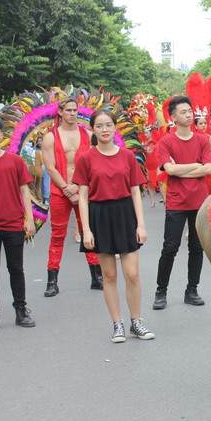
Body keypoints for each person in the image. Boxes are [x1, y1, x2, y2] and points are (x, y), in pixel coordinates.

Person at [74, 110, 155, 342]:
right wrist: (86, 229)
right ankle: (117, 324)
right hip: (99, 215)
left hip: (125, 214)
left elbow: (136, 192)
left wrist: (141, 225)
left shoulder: (127, 156)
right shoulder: (86, 159)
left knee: (132, 274)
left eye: (109, 125)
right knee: (109, 276)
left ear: (115, 127)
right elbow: (82, 196)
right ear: (93, 129)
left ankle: (136, 321)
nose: (105, 129)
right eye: (99, 126)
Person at [153, 95, 211, 310]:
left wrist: (180, 169)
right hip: (177, 203)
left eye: (190, 111)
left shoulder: (203, 140)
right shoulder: (166, 142)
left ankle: (192, 290)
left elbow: (208, 169)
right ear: (173, 117)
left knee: (197, 248)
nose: (189, 115)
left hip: (199, 202)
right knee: (170, 248)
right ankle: (161, 291)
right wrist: (194, 166)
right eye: (183, 112)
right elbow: (168, 170)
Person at [41, 97, 102, 296]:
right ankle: (52, 281)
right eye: (68, 110)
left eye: (75, 110)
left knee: (88, 231)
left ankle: (96, 276)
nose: (73, 113)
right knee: (57, 235)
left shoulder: (88, 134)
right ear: (60, 112)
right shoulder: (51, 137)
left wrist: (76, 187)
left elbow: (94, 162)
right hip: (61, 191)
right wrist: (67, 188)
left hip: (83, 190)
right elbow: (50, 167)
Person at [0, 115, 36, 332]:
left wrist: (30, 220)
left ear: (2, 134)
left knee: (16, 269)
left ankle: (21, 310)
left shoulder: (15, 161)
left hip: (14, 224)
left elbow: (25, 191)